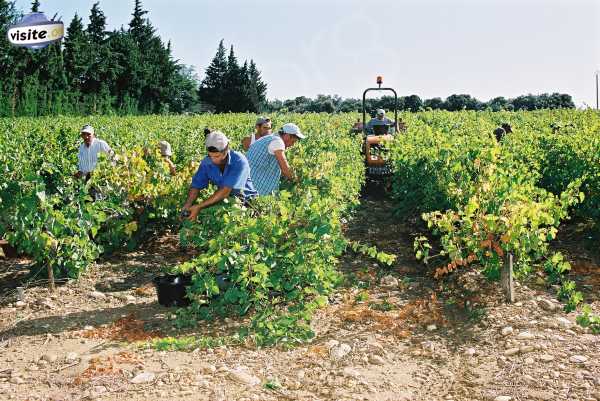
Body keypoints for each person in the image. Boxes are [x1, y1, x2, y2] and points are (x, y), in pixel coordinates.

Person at [181, 131, 257, 221]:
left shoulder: (239, 161)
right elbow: (196, 186)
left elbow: (225, 191)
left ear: (226, 148)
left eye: (217, 156)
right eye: (210, 156)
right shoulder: (207, 162)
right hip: (225, 202)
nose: (213, 160)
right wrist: (188, 204)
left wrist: (199, 207)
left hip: (247, 204)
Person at [246, 123, 305, 196]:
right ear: (287, 136)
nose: (292, 145)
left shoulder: (270, 138)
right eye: (293, 141)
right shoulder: (277, 142)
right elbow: (285, 169)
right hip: (256, 187)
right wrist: (298, 182)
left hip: (248, 185)